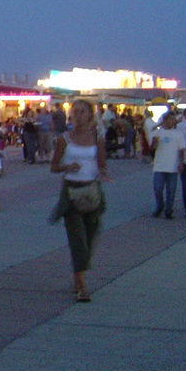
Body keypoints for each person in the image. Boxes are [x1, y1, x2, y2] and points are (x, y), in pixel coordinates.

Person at [49, 99, 109, 302]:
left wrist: (104, 173)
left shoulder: (97, 136)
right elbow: (54, 166)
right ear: (70, 115)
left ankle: (78, 275)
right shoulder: (64, 139)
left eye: (83, 112)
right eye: (75, 112)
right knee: (78, 240)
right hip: (72, 193)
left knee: (91, 238)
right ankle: (81, 284)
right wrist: (67, 167)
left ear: (90, 115)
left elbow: (101, 162)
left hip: (91, 191)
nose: (79, 115)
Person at [150, 111, 185, 218]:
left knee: (171, 190)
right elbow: (151, 148)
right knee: (158, 188)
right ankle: (160, 205)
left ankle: (169, 209)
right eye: (169, 119)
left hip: (173, 165)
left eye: (172, 119)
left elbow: (182, 149)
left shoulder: (178, 133)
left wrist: (181, 162)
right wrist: (154, 142)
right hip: (160, 165)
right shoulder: (158, 132)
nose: (171, 122)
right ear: (165, 121)